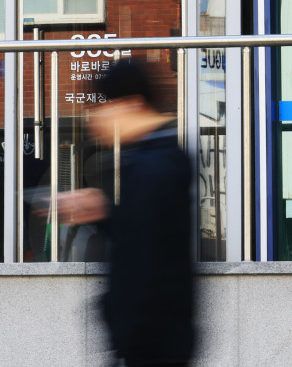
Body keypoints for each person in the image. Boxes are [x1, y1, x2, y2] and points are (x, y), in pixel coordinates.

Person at [57, 58, 197, 366]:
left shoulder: (158, 165)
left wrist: (128, 335)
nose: (96, 118)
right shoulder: (152, 158)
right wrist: (103, 211)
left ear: (133, 104)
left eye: (104, 106)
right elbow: (141, 235)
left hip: (152, 344)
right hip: (150, 341)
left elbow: (146, 257)